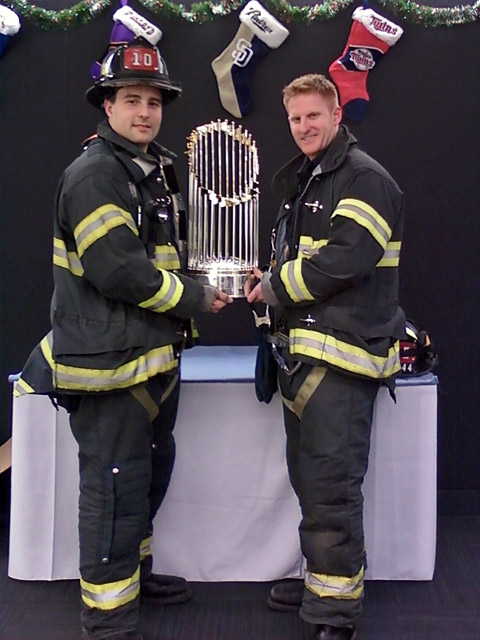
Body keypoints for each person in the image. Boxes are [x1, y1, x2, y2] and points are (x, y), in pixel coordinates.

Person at [15, 36, 232, 640]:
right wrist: (194, 296)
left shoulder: (152, 169)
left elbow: (170, 254)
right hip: (109, 366)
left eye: (154, 101)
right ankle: (109, 618)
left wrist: (214, 273)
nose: (144, 111)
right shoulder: (93, 175)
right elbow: (117, 269)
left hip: (150, 359)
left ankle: (133, 575)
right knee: (113, 491)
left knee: (145, 477)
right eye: (131, 99)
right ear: (106, 106)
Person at [246, 73, 405, 640]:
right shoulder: (313, 178)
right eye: (295, 118)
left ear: (338, 116)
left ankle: (335, 615)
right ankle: (322, 582)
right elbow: (304, 261)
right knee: (313, 485)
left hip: (342, 365)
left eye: (314, 115)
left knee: (332, 490)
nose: (304, 127)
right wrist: (270, 279)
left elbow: (343, 260)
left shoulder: (364, 179)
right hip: (307, 364)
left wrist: (273, 288)